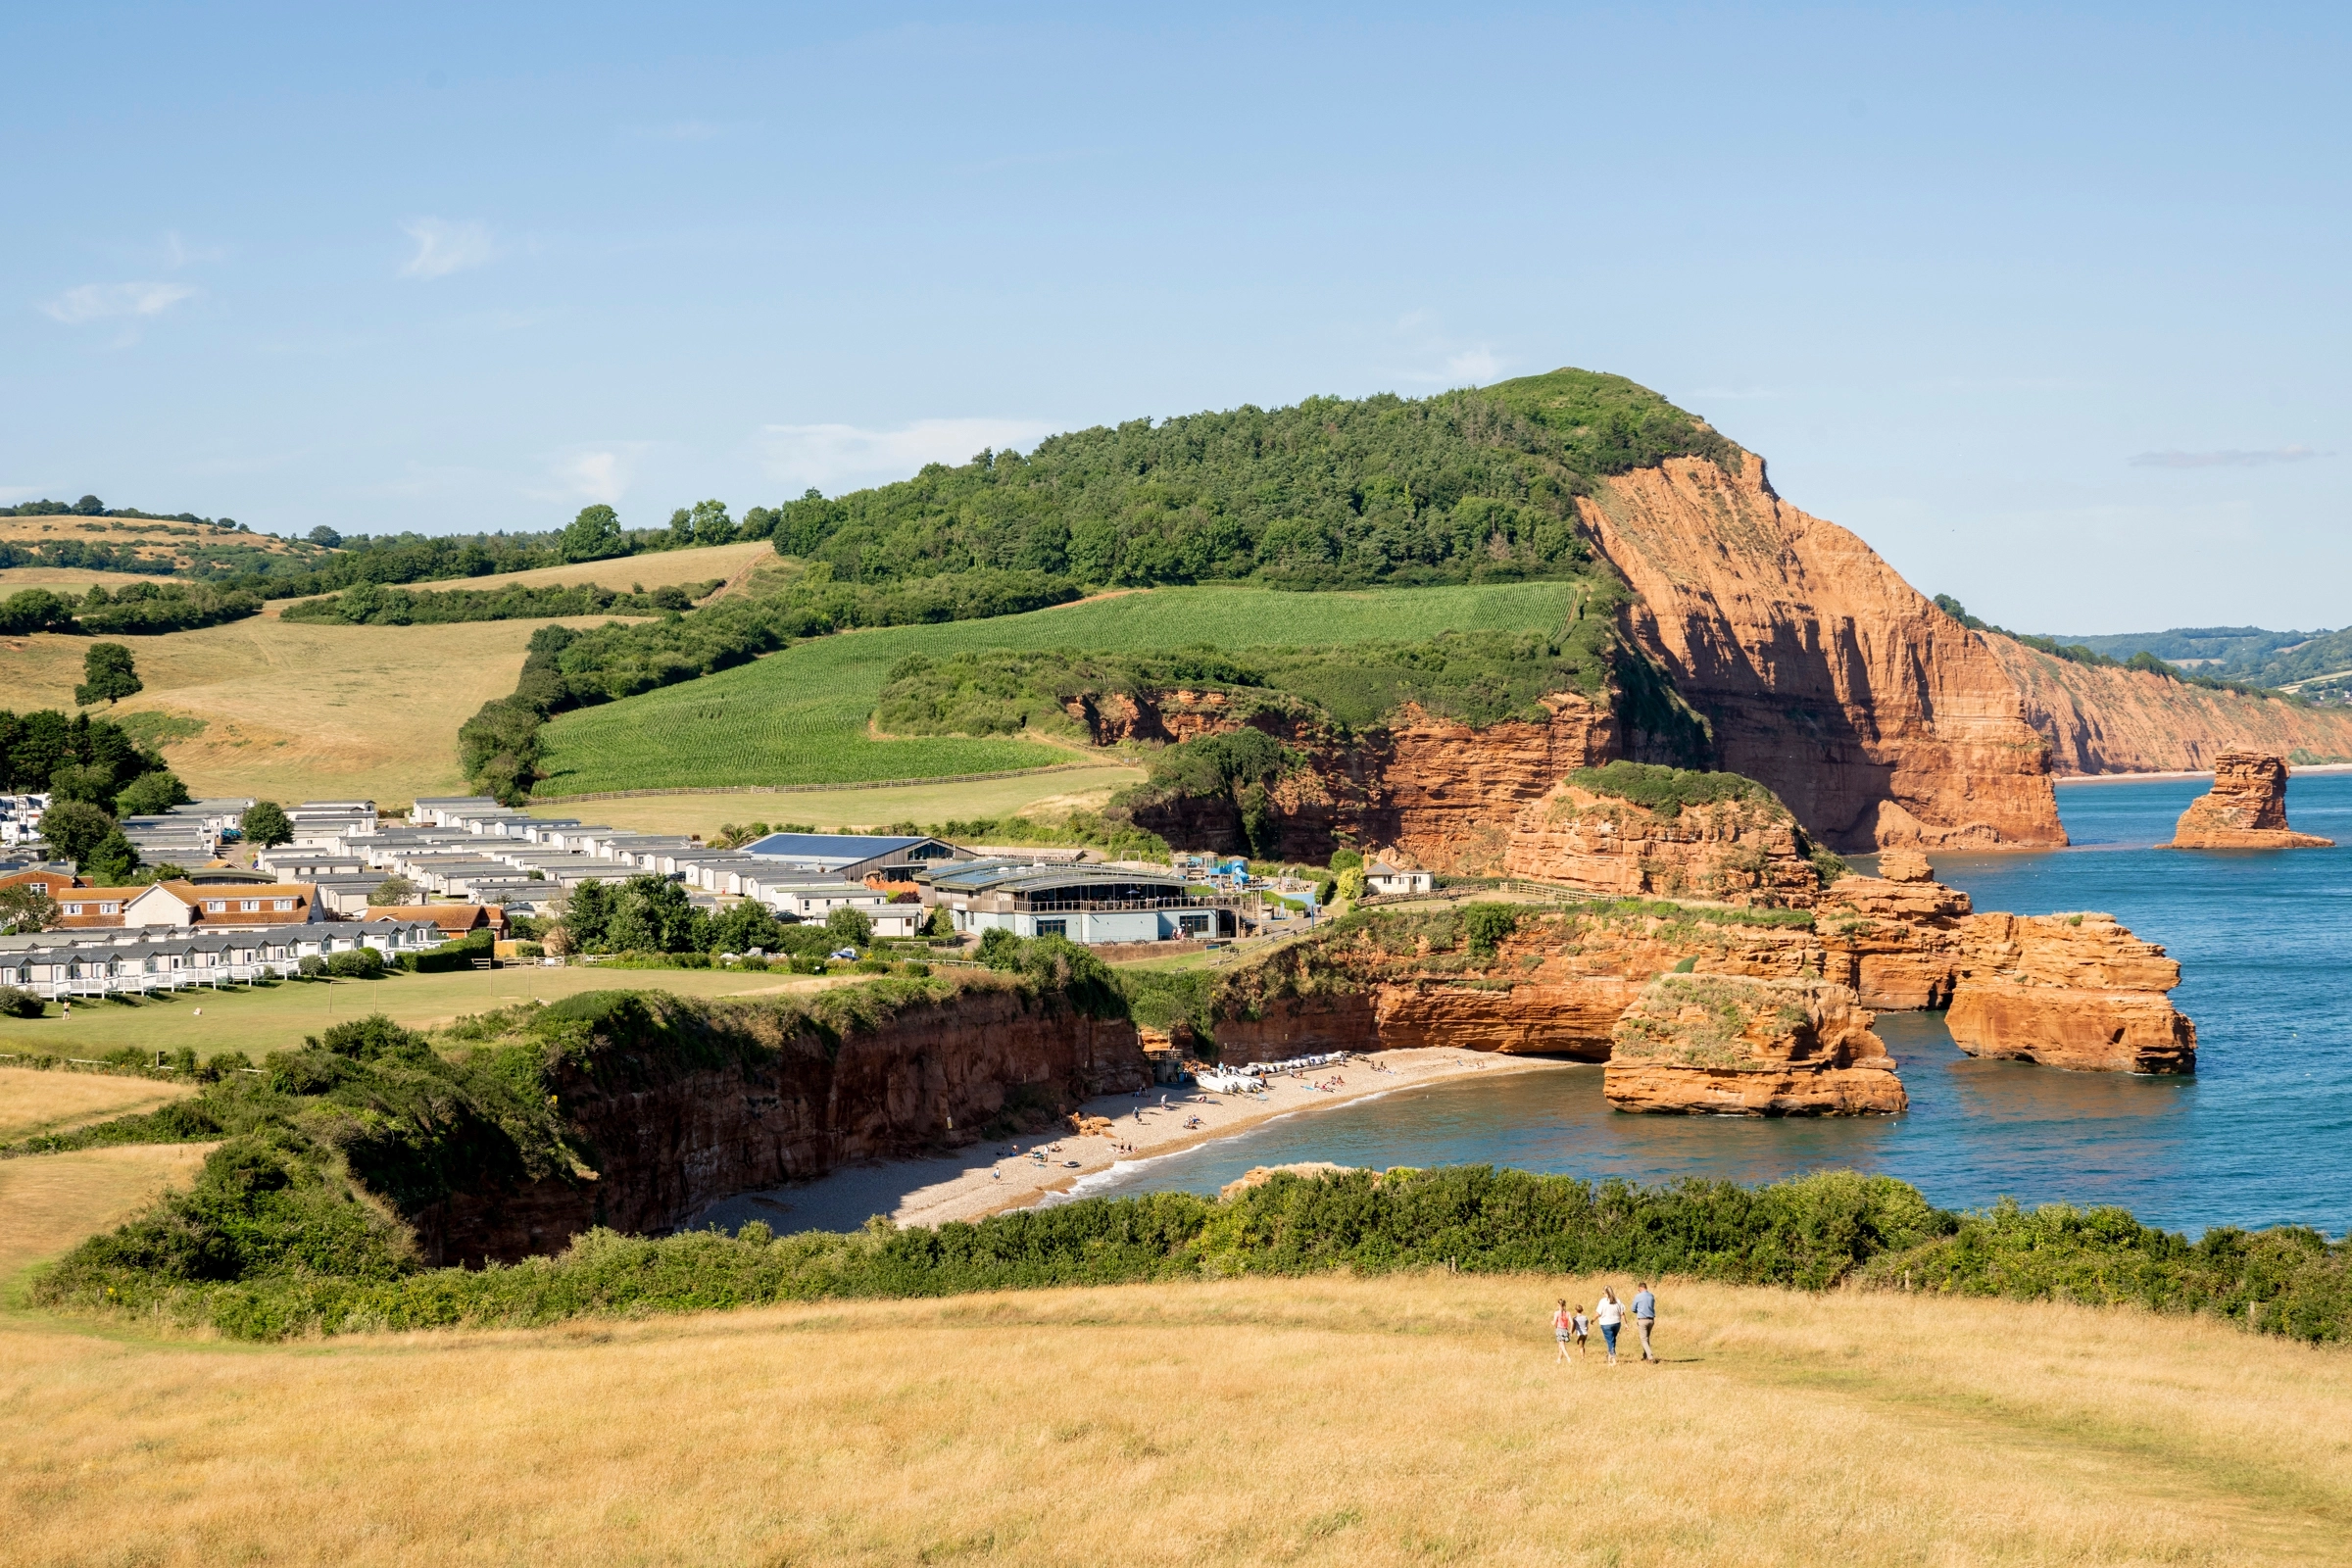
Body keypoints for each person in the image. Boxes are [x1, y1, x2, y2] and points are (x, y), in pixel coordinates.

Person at [1594, 1287, 1624, 1365]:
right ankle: (1609, 1357)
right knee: (1612, 1340)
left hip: (1606, 1324)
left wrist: (1593, 1320)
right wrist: (1626, 1323)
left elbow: (1598, 1313)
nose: (1603, 1295)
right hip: (1617, 1323)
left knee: (1610, 1341)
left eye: (1603, 1293)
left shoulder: (1603, 1301)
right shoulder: (1618, 1300)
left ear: (1606, 1293)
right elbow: (1622, 1313)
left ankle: (1614, 1360)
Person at [1633, 1281, 1658, 1362]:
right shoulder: (1651, 1296)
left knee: (1643, 1339)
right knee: (1647, 1338)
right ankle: (1645, 1355)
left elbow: (1633, 1309)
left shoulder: (1638, 1296)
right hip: (1651, 1320)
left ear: (1640, 1288)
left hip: (1642, 1319)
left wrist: (1638, 1311)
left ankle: (1650, 1357)